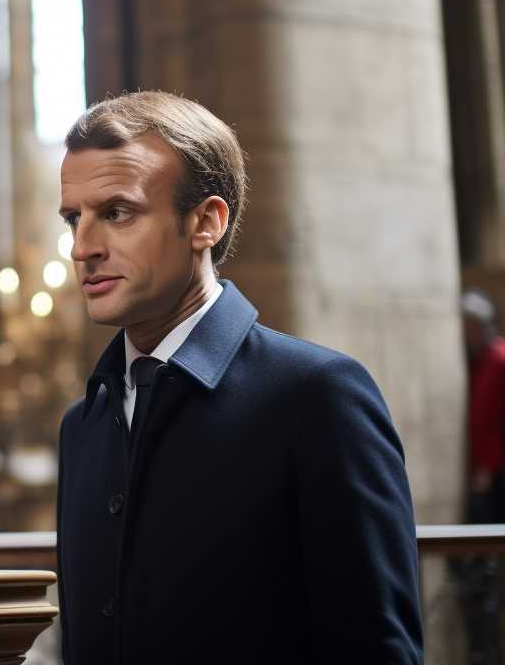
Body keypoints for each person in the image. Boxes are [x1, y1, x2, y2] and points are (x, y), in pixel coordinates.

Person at [54, 91, 421, 663]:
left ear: (205, 221)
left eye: (117, 213)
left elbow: (376, 649)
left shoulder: (319, 396)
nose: (82, 247)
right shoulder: (85, 422)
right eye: (75, 218)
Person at [464, 289, 505, 521]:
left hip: (496, 468)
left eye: (472, 328)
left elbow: (497, 419)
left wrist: (487, 467)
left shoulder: (499, 360)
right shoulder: (479, 361)